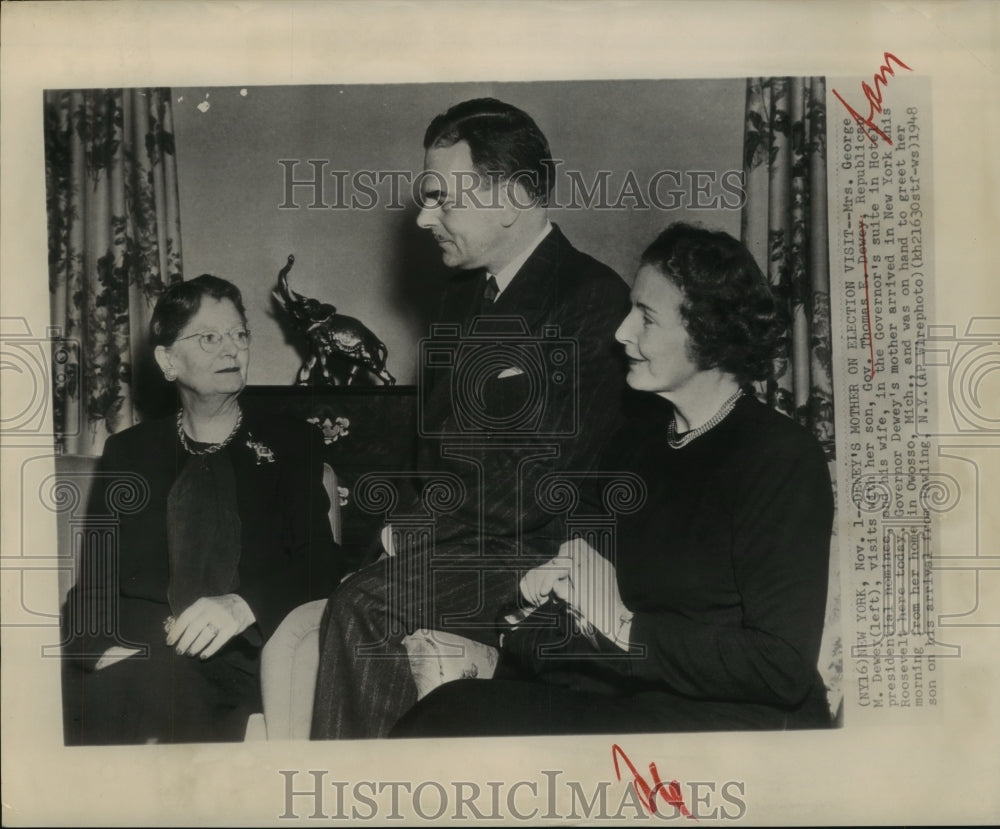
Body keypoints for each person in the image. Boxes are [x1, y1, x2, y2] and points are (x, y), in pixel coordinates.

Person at [391, 223, 835, 737]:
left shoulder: (778, 457)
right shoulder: (633, 444)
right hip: (623, 703)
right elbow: (566, 633)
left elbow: (781, 669)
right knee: (450, 713)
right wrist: (524, 613)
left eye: (645, 317)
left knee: (456, 724)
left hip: (733, 725)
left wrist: (623, 625)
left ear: (708, 336)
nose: (621, 332)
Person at [310, 98, 631, 739]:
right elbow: (428, 453)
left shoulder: (592, 301)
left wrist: (417, 539)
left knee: (362, 605)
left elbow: (547, 485)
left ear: (510, 199)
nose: (425, 218)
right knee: (351, 581)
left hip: (541, 555)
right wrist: (392, 533)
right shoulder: (460, 296)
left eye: (442, 201)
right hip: (463, 545)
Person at [62, 275, 345, 745]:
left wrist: (243, 604)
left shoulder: (293, 443)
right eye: (210, 337)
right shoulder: (129, 453)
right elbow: (94, 580)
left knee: (159, 690)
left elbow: (322, 562)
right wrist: (97, 650)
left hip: (230, 659)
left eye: (239, 335)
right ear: (168, 361)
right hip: (130, 652)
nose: (232, 350)